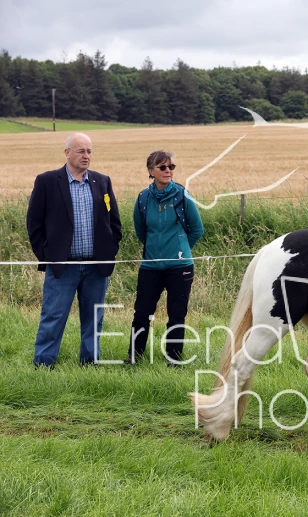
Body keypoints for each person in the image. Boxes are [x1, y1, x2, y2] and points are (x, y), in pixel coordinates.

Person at [26, 133, 122, 368]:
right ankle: (44, 365)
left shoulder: (102, 181)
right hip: (63, 266)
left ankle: (90, 364)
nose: (86, 156)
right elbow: (34, 223)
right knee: (53, 317)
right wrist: (48, 256)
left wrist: (109, 250)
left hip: (96, 267)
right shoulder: (47, 181)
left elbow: (114, 223)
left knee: (93, 319)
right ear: (67, 153)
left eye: (89, 151)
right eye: (81, 151)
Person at [126, 151, 204, 365]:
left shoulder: (182, 195)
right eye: (162, 167)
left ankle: (174, 359)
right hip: (150, 266)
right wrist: (156, 250)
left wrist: (181, 249)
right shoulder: (143, 198)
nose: (168, 170)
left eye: (171, 167)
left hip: (180, 267)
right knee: (142, 313)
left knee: (176, 314)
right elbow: (141, 231)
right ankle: (134, 356)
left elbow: (197, 229)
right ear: (151, 171)